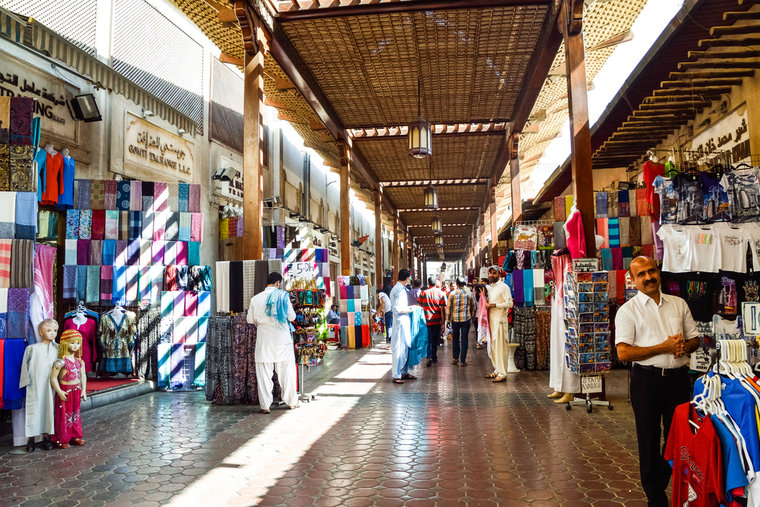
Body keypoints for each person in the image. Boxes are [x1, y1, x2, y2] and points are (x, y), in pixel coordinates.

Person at [615, 256, 700, 507]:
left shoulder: (678, 304)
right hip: (646, 383)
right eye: (641, 274)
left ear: (658, 273)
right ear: (633, 280)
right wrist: (663, 347)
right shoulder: (627, 311)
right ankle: (656, 497)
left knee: (679, 436)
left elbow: (695, 339)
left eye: (651, 271)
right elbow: (624, 353)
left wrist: (684, 346)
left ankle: (667, 477)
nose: (648, 277)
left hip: (677, 381)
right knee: (649, 439)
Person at [247, 272, 299, 414]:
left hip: (264, 340)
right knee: (286, 372)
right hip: (282, 339)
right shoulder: (283, 296)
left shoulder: (255, 299)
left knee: (264, 374)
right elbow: (292, 316)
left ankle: (265, 406)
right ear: (277, 283)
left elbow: (250, 320)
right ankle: (291, 402)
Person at [19, 319, 60, 452]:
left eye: (55, 330)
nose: (52, 333)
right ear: (41, 332)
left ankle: (47, 437)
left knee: (49, 409)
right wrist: (25, 382)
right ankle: (31, 439)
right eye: (49, 330)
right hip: (36, 384)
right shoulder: (32, 349)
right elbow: (25, 367)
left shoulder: (59, 349)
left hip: (51, 385)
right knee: (34, 409)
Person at [50, 329, 87, 448]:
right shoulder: (60, 362)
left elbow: (83, 375)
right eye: (72, 343)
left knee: (76, 414)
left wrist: (84, 390)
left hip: (76, 390)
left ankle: (75, 436)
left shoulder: (79, 361)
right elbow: (53, 378)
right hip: (65, 390)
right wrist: (59, 391)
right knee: (64, 414)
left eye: (78, 343)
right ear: (65, 343)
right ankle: (62, 438)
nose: (75, 346)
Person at [486, 266, 513, 382]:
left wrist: (494, 305)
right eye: (490, 273)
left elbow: (510, 304)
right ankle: (497, 370)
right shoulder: (491, 288)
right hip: (492, 322)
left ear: (499, 274)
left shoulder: (504, 287)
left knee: (501, 347)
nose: (492, 275)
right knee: (494, 347)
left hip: (500, 322)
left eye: (494, 273)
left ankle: (502, 373)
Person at [390, 269, 415, 384]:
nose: (409, 280)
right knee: (398, 348)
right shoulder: (399, 290)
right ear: (406, 278)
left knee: (405, 347)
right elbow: (398, 309)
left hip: (403, 322)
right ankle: (396, 375)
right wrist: (411, 309)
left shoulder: (401, 289)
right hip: (400, 322)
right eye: (409, 278)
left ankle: (404, 372)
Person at [417, 277, 448, 367]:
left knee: (428, 339)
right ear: (436, 284)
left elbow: (419, 306)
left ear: (428, 283)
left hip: (426, 321)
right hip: (437, 321)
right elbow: (442, 309)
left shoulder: (423, 293)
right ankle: (434, 356)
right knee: (435, 340)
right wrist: (443, 323)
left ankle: (429, 355)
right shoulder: (441, 293)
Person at [447, 277, 475, 366]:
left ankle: (455, 358)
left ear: (457, 284)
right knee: (464, 339)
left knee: (455, 338)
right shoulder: (469, 293)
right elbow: (473, 305)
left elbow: (449, 308)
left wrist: (448, 319)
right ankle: (463, 360)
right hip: (466, 319)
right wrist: (472, 315)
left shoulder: (452, 294)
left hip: (455, 319)